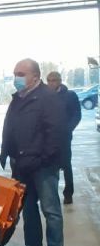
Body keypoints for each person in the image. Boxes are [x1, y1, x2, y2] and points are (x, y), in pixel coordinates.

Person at [1, 59, 66, 246]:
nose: (16, 78)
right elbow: (11, 127)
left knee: (50, 210)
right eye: (14, 73)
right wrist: (7, 153)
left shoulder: (48, 98)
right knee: (28, 210)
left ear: (35, 76)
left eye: (20, 73)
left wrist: (43, 159)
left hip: (42, 165)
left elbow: (56, 133)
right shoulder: (18, 99)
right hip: (21, 165)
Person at [46, 71, 81, 204]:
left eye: (54, 80)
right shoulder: (45, 97)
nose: (51, 83)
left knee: (66, 164)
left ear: (60, 81)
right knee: (50, 165)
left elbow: (76, 114)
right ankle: (51, 193)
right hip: (48, 138)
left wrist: (68, 128)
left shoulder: (70, 96)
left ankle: (68, 193)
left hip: (64, 137)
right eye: (49, 80)